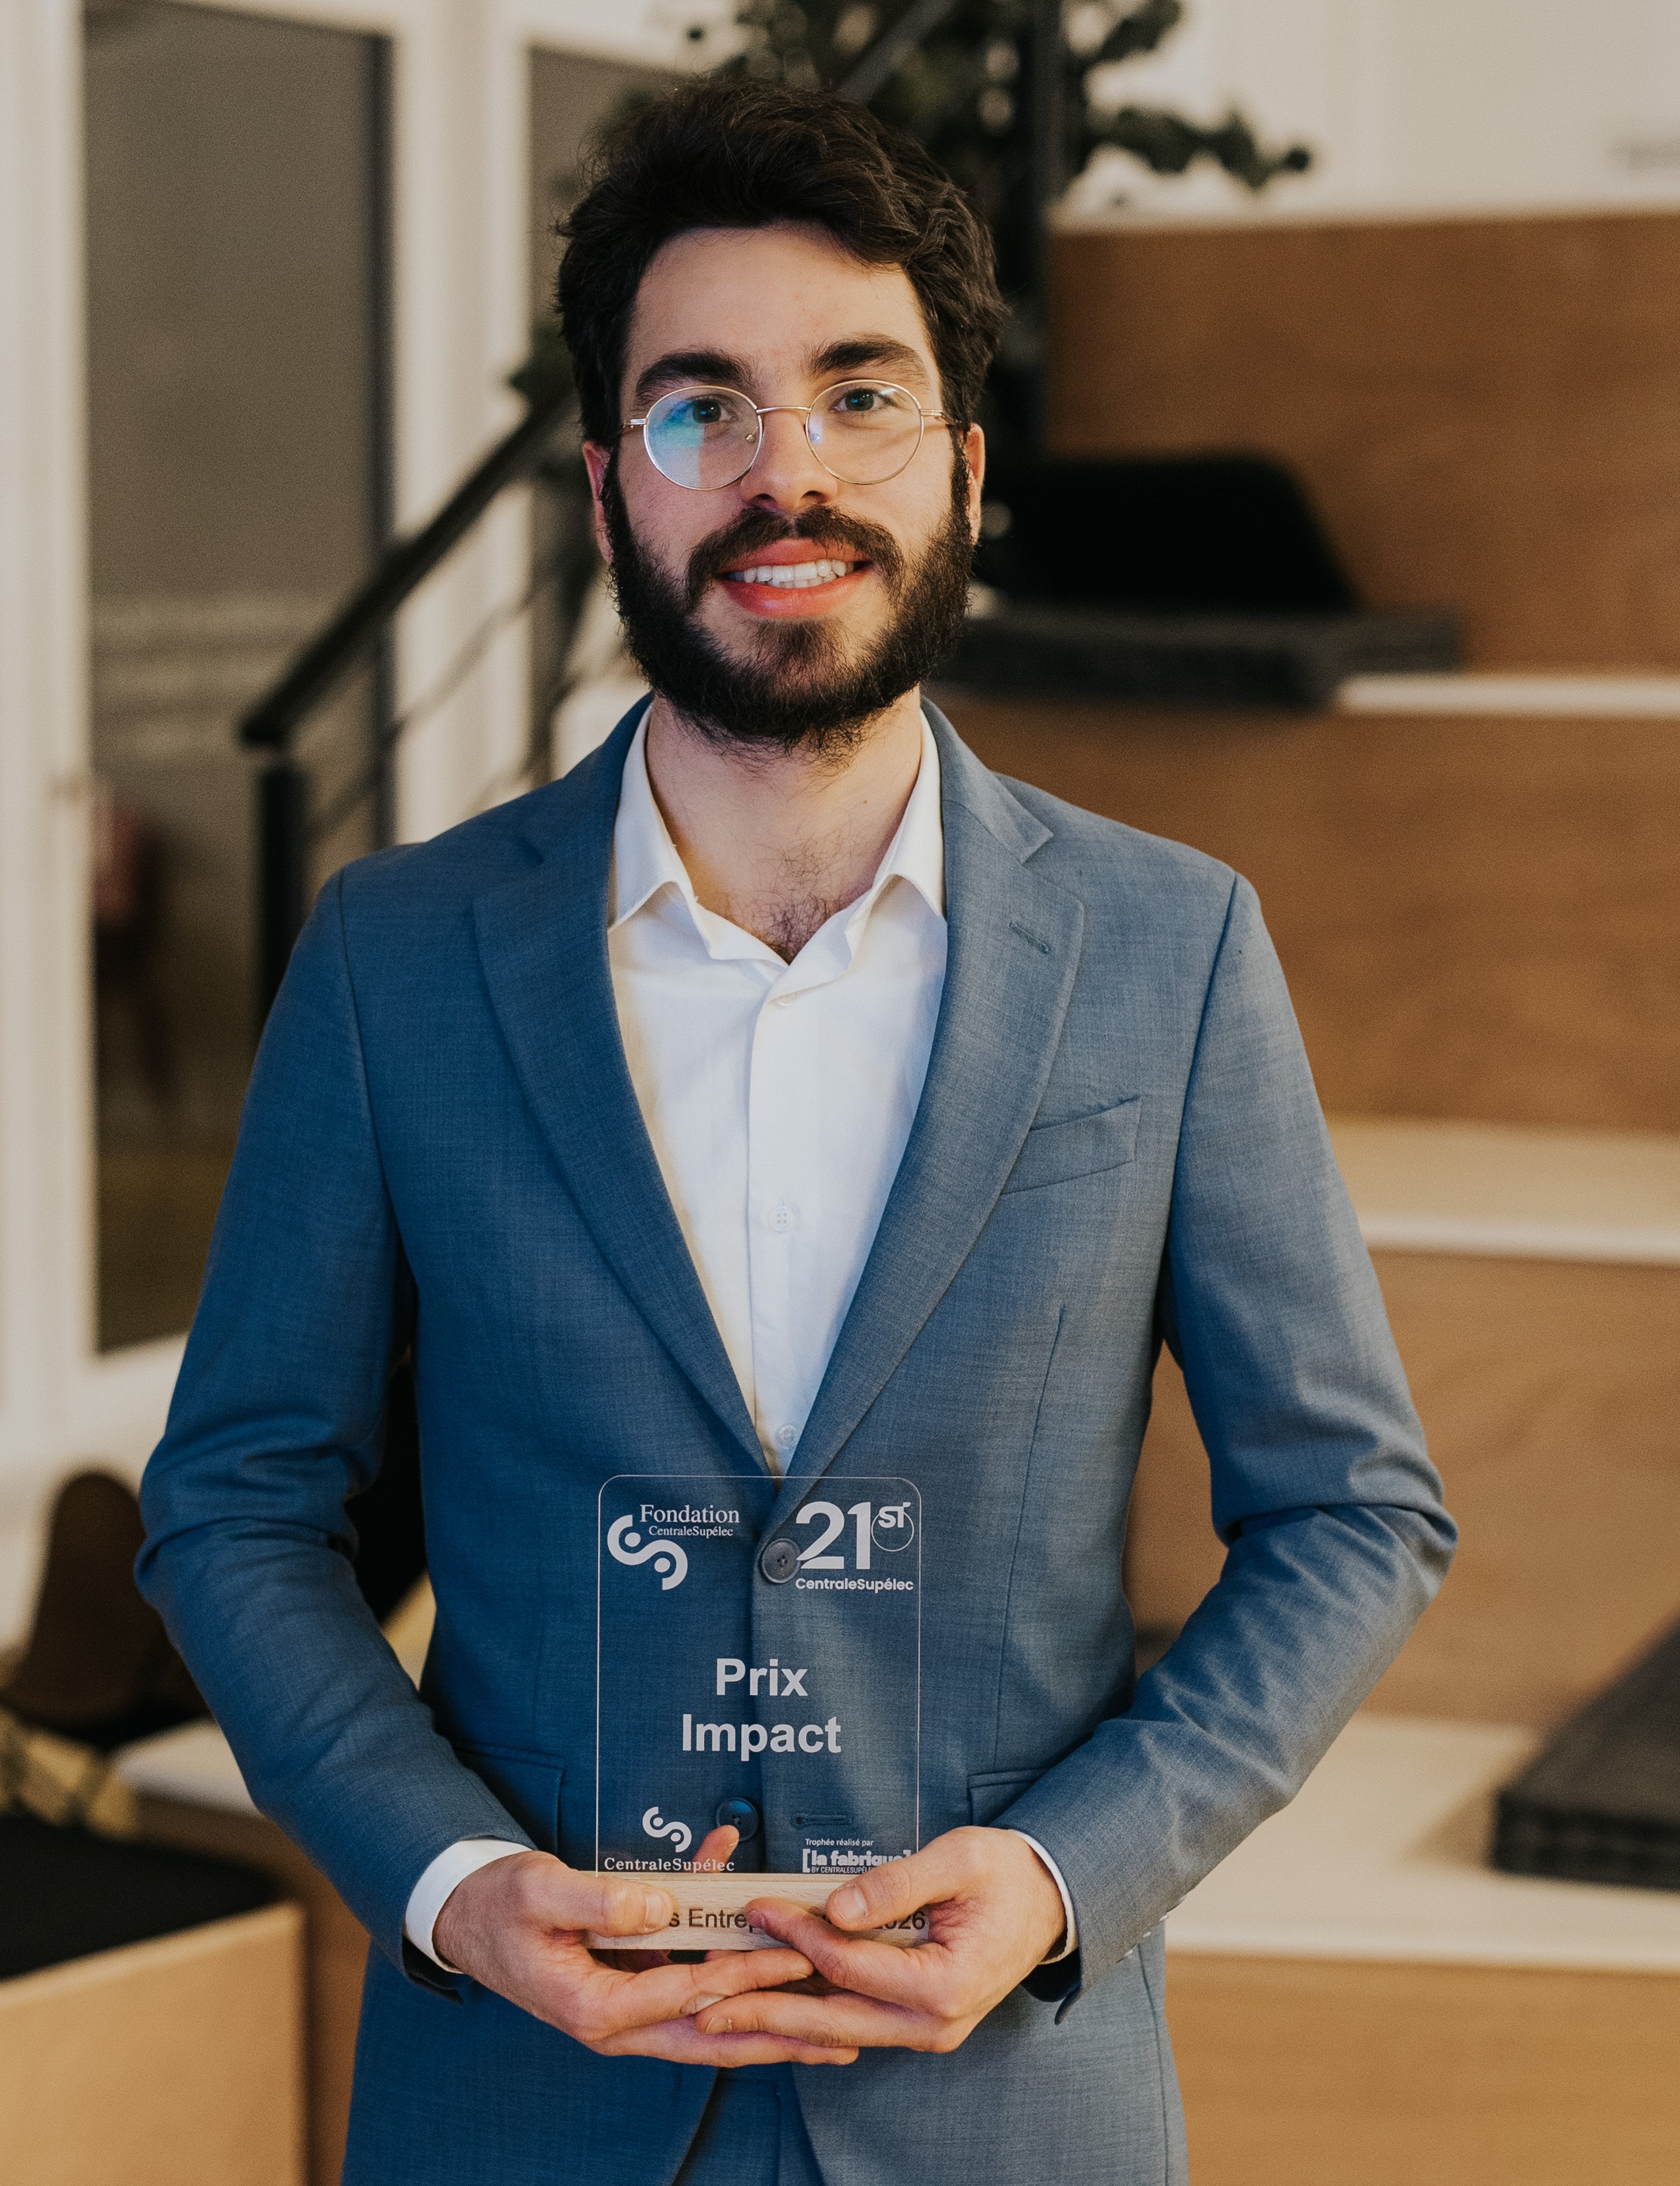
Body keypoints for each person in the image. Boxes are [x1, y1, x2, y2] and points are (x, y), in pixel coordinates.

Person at [138, 76, 1455, 2186]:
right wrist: (454, 1883)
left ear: (966, 469)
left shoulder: (1174, 950)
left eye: (860, 395)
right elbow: (234, 1508)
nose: (790, 473)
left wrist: (1065, 1873)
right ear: (606, 493)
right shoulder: (395, 958)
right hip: (522, 2108)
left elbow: (1353, 1512)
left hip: (1003, 2108)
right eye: (703, 409)